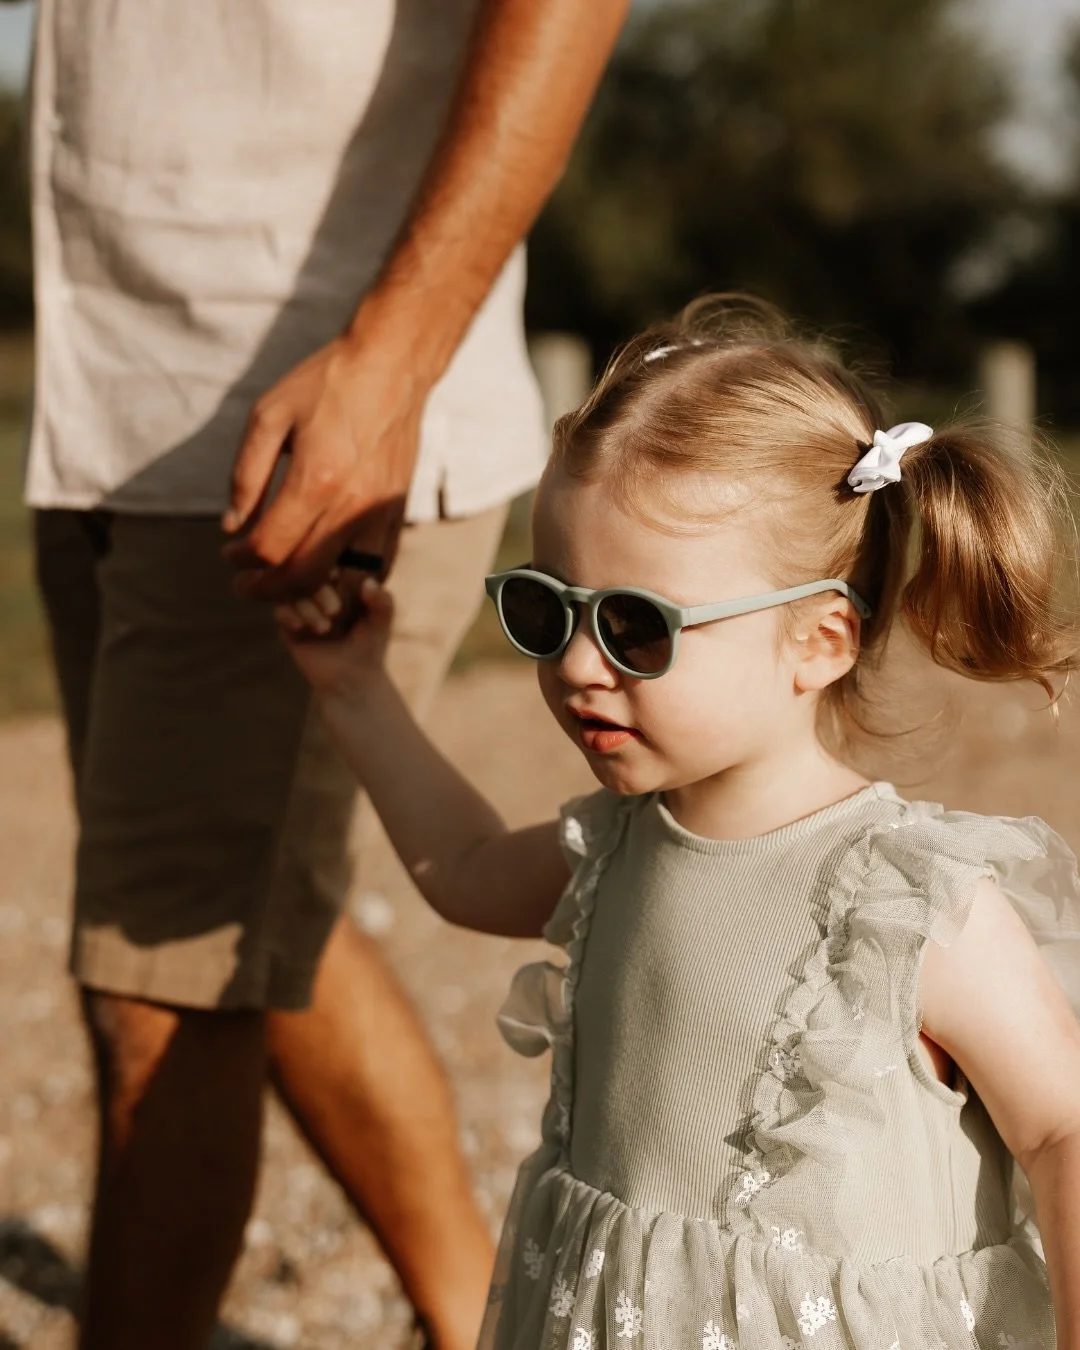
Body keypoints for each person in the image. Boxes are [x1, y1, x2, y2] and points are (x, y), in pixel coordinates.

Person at [278, 295, 1080, 1348]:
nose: (573, 665)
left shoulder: (905, 899)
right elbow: (463, 866)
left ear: (820, 639)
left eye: (634, 626)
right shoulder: (617, 847)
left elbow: (1062, 1126)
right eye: (545, 609)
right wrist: (356, 692)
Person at [24, 2, 628, 1347]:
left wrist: (392, 359)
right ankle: (487, 1319)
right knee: (237, 917)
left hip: (305, 407)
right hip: (111, 386)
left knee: (163, 985)